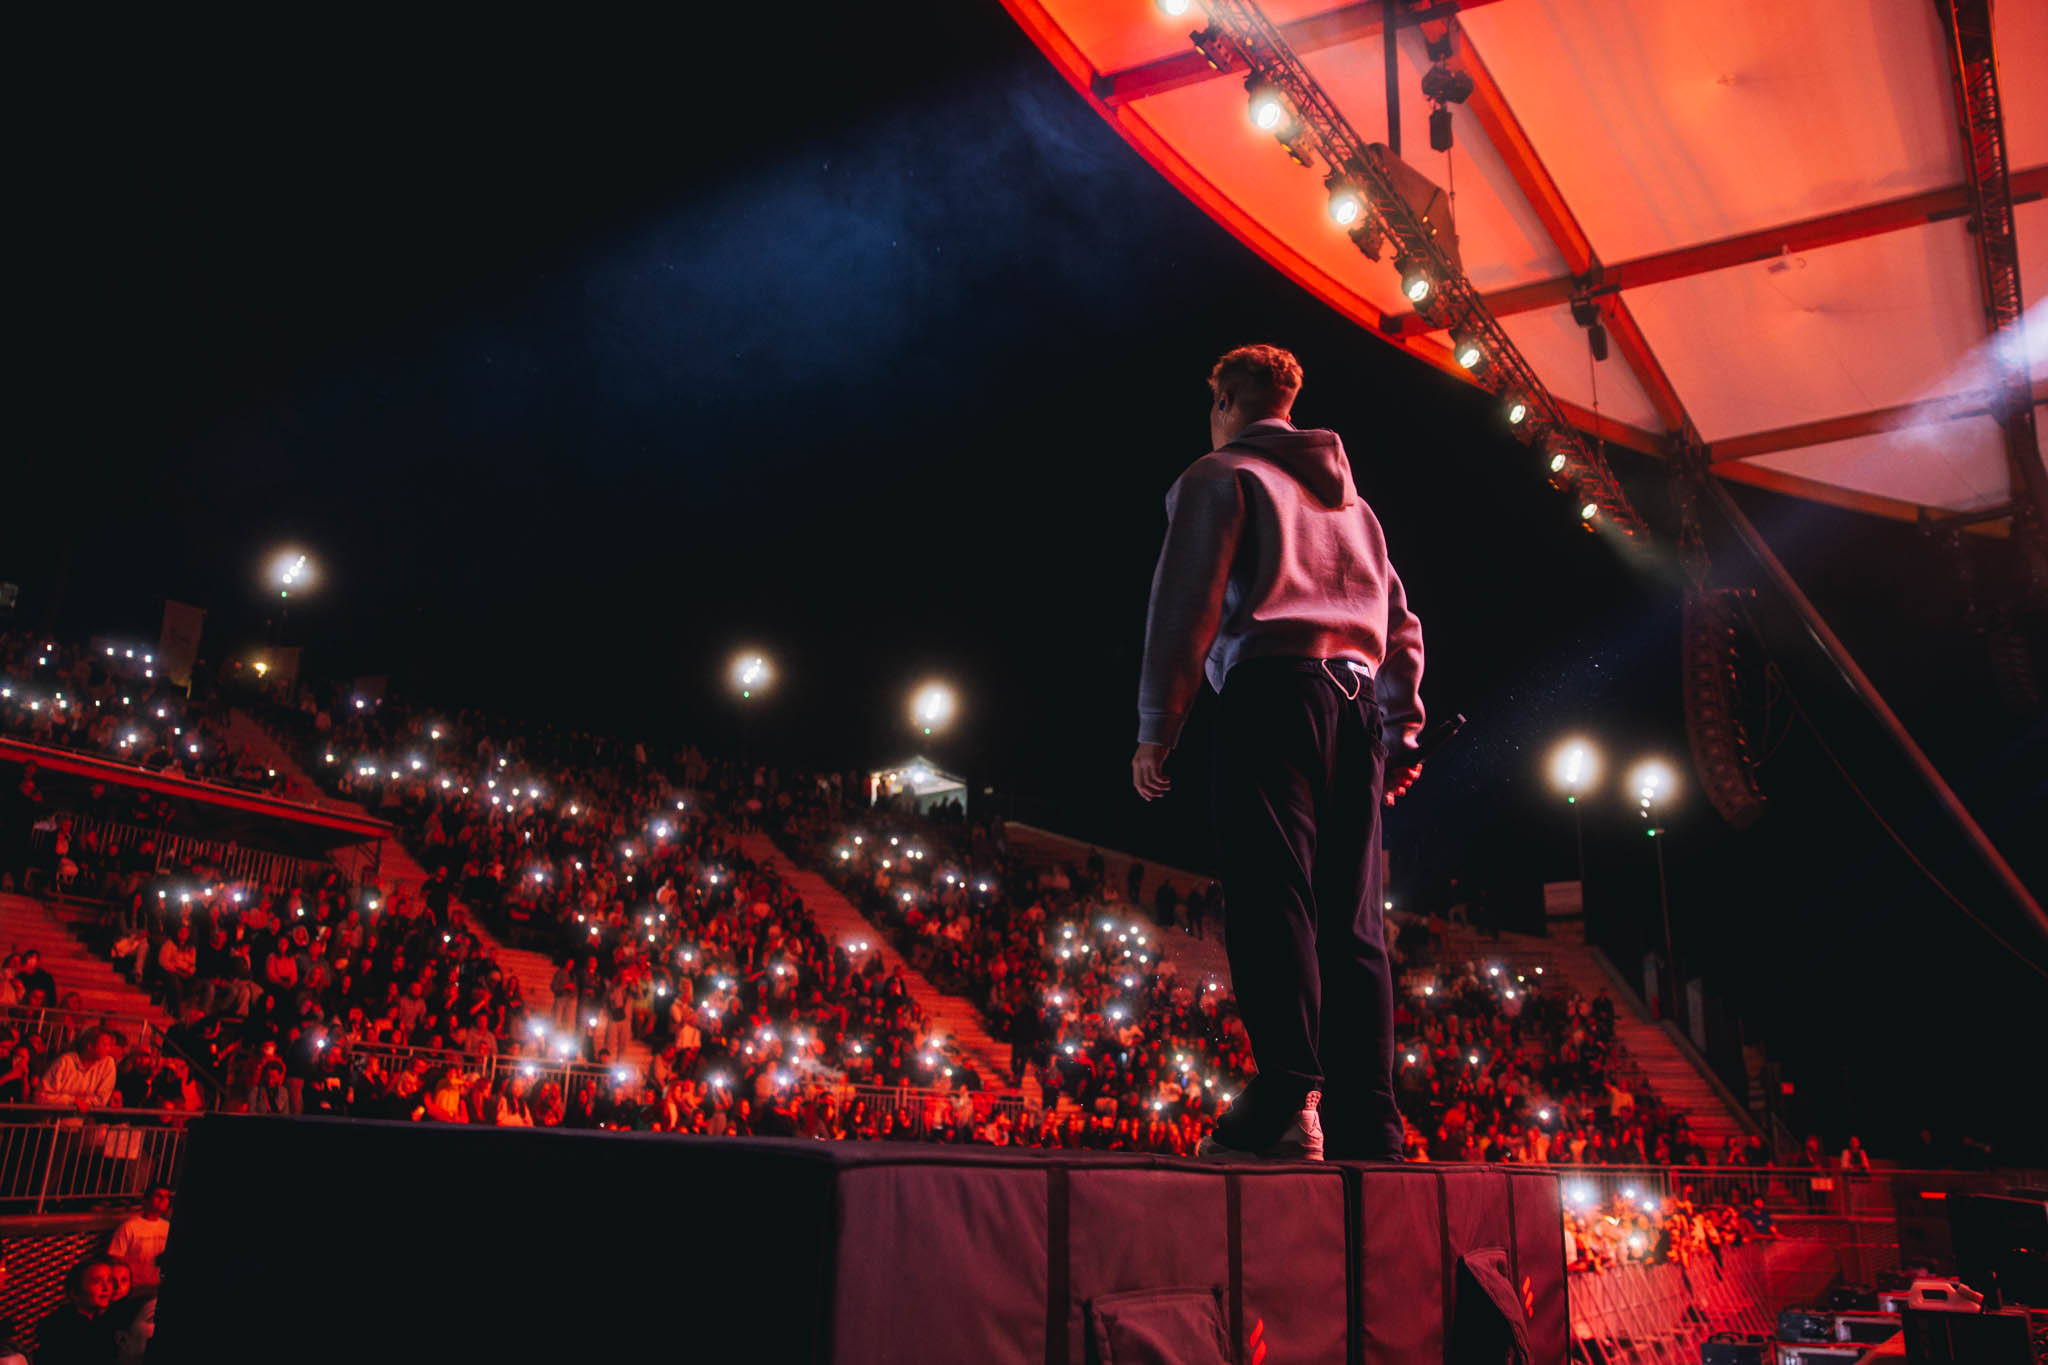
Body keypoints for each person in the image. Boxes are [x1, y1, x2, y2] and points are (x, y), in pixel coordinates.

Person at [1133, 345, 1425, 1162]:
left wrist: (1159, 723)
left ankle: (1289, 1101)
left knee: (1273, 897)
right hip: (1358, 704)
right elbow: (1402, 626)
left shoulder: (1219, 475)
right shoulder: (1358, 510)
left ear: (1226, 400)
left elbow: (1185, 602)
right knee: (1354, 921)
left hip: (1272, 691)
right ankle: (1372, 1118)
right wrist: (1402, 732)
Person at [35, 1256, 119, 1365]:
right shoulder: (59, 1330)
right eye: (96, 1282)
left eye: (109, 1280)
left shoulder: (105, 1321)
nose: (106, 1288)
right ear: (75, 1292)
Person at [107, 1183, 173, 1290]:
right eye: (158, 1196)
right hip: (135, 1288)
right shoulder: (129, 1226)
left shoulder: (167, 1227)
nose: (163, 1200)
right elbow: (115, 1257)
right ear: (146, 1200)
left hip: (158, 1287)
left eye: (167, 1197)